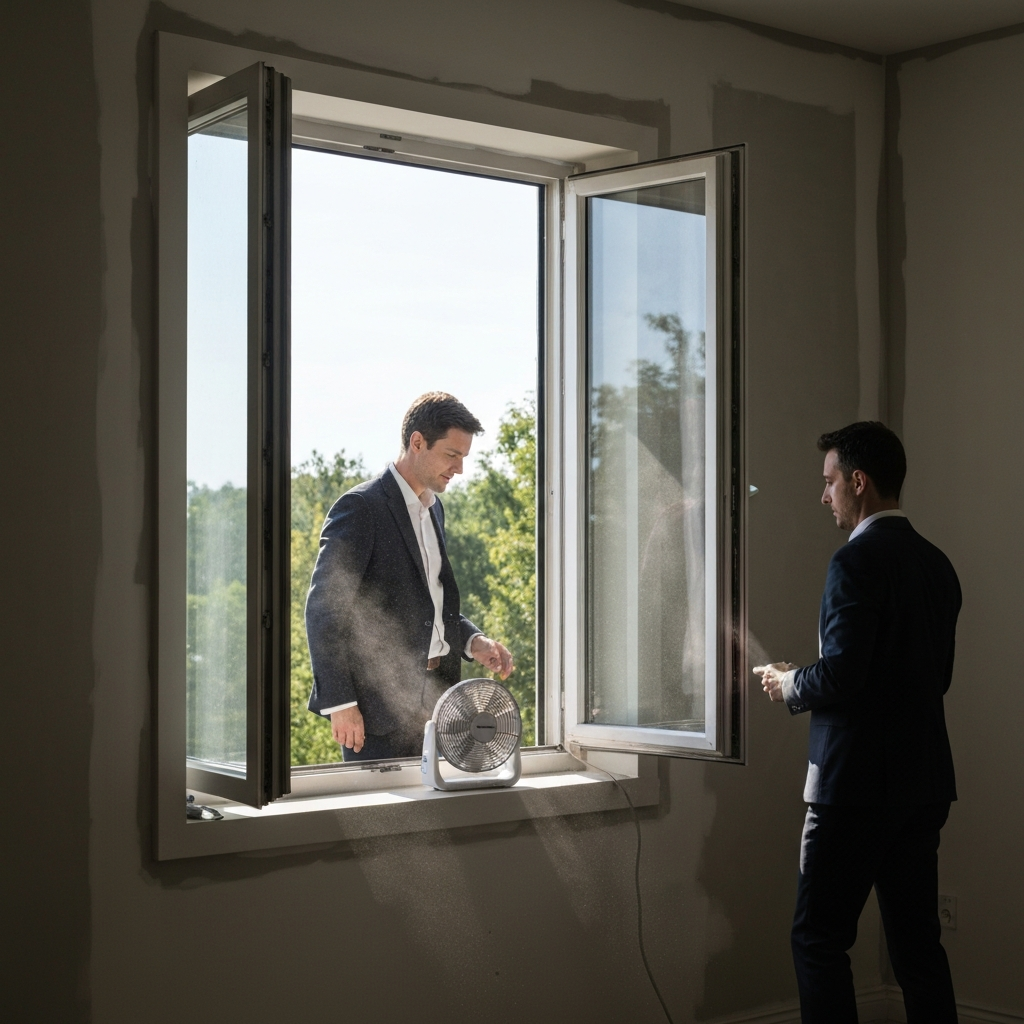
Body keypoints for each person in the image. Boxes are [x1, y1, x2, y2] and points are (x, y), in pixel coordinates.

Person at [753, 421, 961, 1024]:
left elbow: (844, 675)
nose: (824, 495)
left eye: (830, 481)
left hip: (852, 789)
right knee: (918, 948)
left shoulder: (854, 560)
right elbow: (932, 678)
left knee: (818, 940)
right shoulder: (937, 564)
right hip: (923, 783)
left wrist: (790, 683)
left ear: (859, 481)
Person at [305, 392, 514, 761]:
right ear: (417, 442)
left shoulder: (435, 510)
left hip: (438, 706)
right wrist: (340, 703)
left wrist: (473, 641)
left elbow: (430, 602)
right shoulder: (361, 507)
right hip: (375, 717)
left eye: (464, 458)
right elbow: (325, 609)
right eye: (452, 455)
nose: (459, 469)